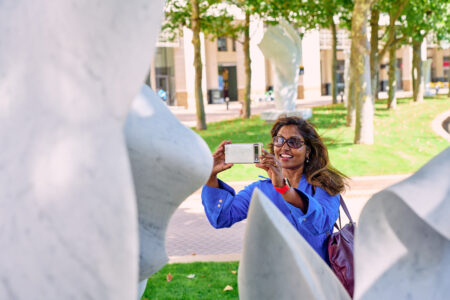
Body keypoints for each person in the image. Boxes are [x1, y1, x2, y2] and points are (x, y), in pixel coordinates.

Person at [201, 116, 347, 264]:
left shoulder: (324, 185)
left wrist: (284, 189)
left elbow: (320, 224)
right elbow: (221, 218)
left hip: (316, 278)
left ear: (308, 151)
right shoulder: (261, 189)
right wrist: (210, 176)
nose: (284, 147)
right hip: (273, 278)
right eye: (279, 140)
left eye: (294, 142)